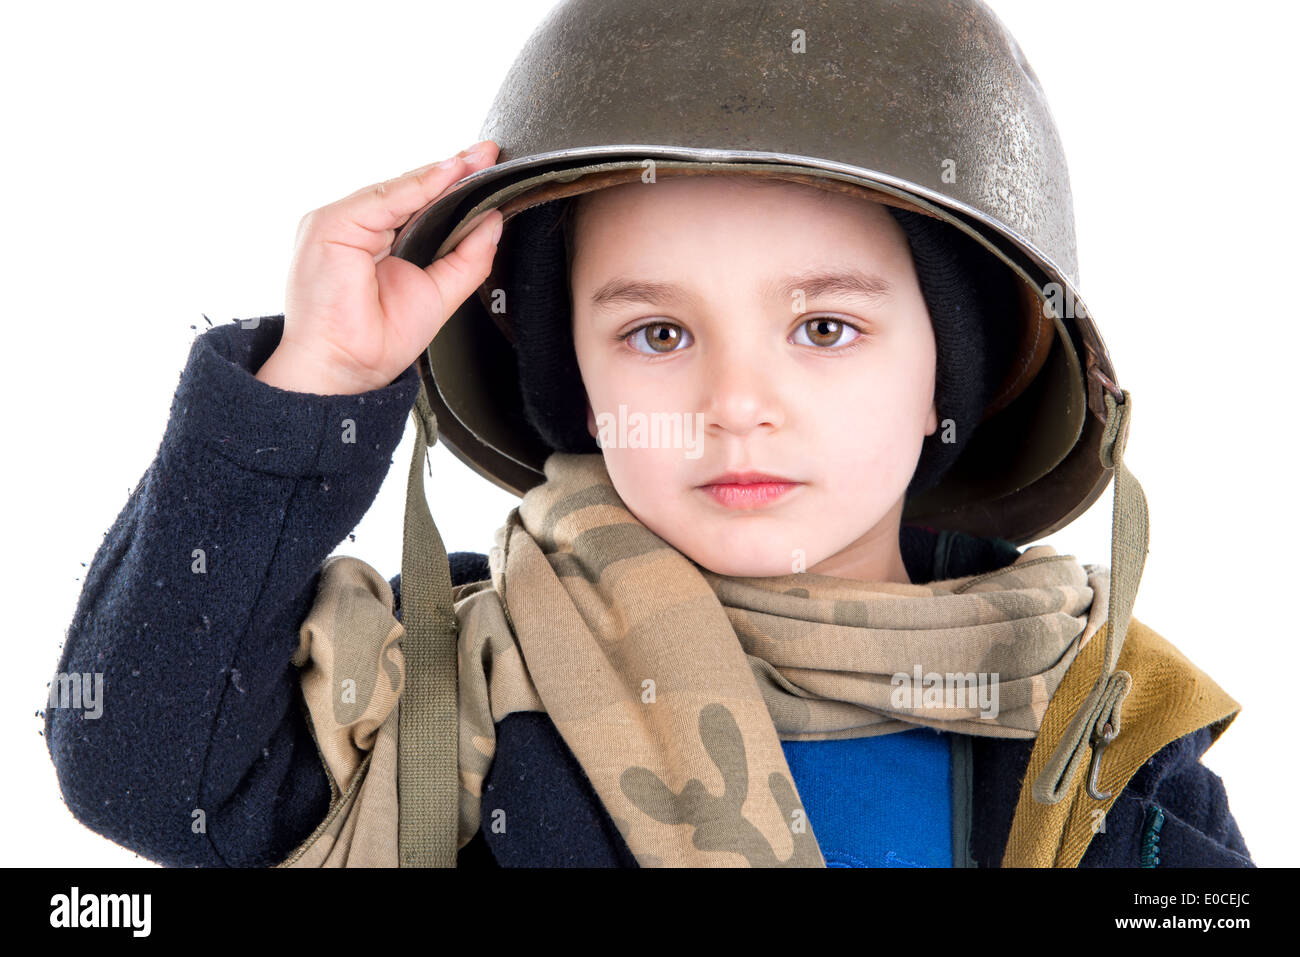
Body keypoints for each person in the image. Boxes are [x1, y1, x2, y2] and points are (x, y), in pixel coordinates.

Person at [45, 0, 1254, 868]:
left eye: (825, 329)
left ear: (962, 367)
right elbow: (147, 771)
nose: (737, 402)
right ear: (566, 377)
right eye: (660, 337)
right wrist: (316, 386)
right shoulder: (458, 682)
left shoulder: (1099, 728)